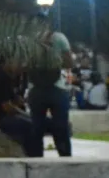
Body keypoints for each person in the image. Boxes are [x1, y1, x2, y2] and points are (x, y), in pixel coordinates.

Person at [26, 20, 75, 157]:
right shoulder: (59, 38)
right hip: (57, 88)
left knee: (36, 127)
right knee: (61, 127)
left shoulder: (29, 39)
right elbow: (69, 63)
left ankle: (36, 160)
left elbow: (24, 64)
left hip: (36, 88)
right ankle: (65, 158)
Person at [0, 58, 41, 156]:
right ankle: (33, 156)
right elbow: (7, 107)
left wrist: (19, 101)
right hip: (3, 117)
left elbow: (14, 99)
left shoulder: (14, 78)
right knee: (31, 125)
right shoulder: (2, 78)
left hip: (10, 115)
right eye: (18, 64)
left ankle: (37, 155)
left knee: (39, 124)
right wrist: (25, 114)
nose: (20, 68)